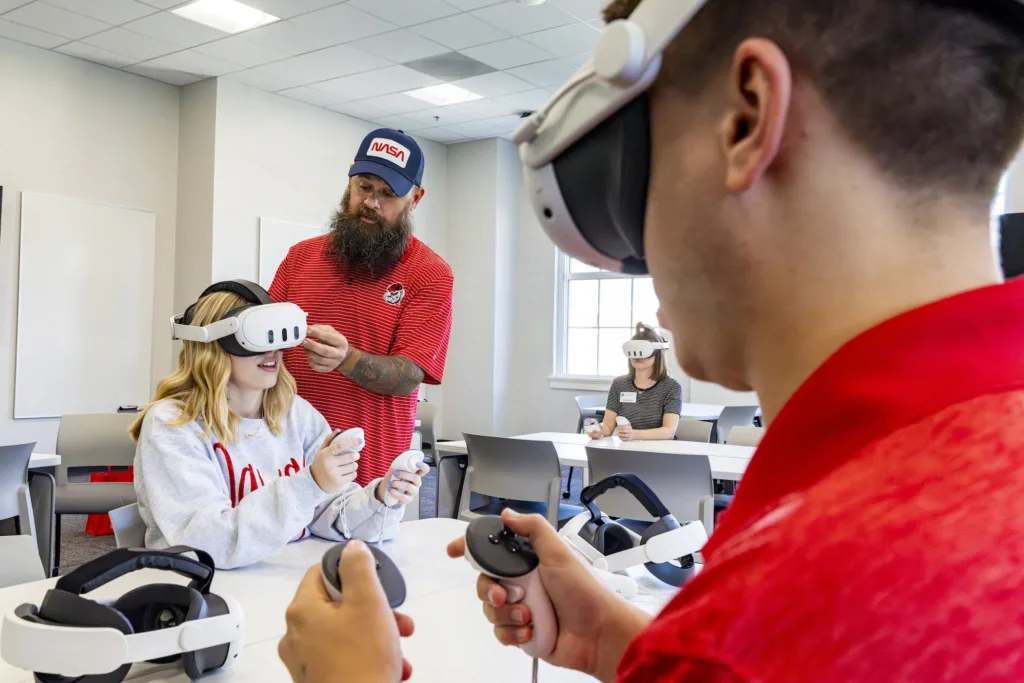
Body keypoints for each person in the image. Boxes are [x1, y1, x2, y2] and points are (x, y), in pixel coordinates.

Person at [280, 1, 1024, 682]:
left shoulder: (768, 613)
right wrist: (626, 647)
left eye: (641, 143)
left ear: (746, 120)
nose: (631, 239)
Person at [130, 285, 427, 570]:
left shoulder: (295, 414)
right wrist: (310, 482)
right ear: (212, 346)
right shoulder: (172, 425)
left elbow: (329, 515)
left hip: (282, 578)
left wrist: (379, 499)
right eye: (256, 339)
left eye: (277, 339)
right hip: (205, 591)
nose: (273, 352)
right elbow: (209, 545)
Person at [270, 127, 454, 486]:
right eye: (364, 187)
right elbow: (264, 344)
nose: (372, 202)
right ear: (349, 181)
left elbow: (407, 377)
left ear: (415, 198)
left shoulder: (431, 273)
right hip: (286, 463)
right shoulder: (300, 257)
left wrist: (346, 359)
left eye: (388, 194)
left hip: (369, 473)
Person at [588, 323, 682, 441]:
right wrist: (598, 429)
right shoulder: (619, 384)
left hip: (660, 452)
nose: (638, 356)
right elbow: (608, 426)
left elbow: (668, 432)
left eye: (643, 351)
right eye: (633, 351)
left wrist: (634, 434)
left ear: (657, 354)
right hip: (628, 450)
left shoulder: (671, 387)